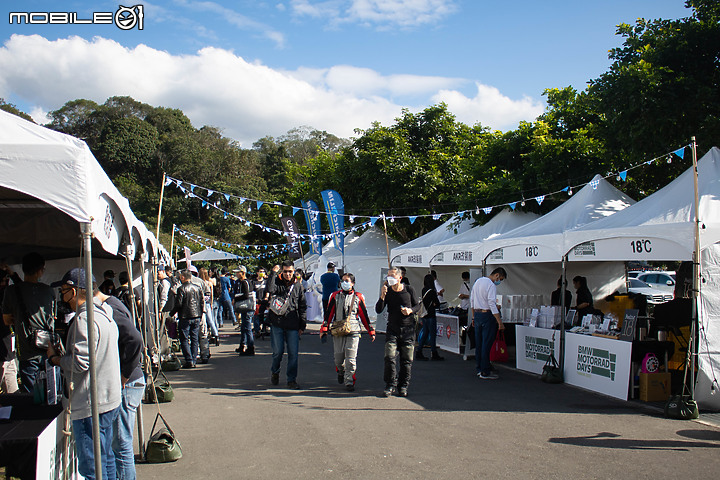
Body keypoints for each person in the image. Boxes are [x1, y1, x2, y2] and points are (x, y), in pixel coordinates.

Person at [47, 268, 121, 480]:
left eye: (63, 291)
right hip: (108, 398)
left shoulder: (85, 319)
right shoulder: (104, 312)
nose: (62, 296)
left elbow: (81, 362)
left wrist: (57, 359)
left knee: (92, 469)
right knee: (105, 460)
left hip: (92, 404)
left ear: (74, 290)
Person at [95, 287, 144, 480]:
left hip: (127, 383)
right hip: (129, 380)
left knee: (120, 442)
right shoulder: (113, 304)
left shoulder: (111, 307)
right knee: (119, 442)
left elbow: (135, 340)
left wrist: (124, 375)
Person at [1, 252, 55, 393]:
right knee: (50, 392)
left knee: (31, 395)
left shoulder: (11, 291)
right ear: (39, 271)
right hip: (48, 348)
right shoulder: (48, 291)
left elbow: (6, 320)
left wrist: (19, 318)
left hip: (26, 349)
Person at [319, 273, 375, 391]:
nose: (344, 283)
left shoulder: (359, 297)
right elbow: (329, 313)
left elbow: (363, 315)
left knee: (351, 358)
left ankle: (349, 381)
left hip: (354, 330)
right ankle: (340, 371)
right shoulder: (335, 296)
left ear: (353, 283)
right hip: (338, 329)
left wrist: (370, 330)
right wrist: (324, 328)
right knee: (338, 358)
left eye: (347, 280)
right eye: (343, 280)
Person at [375, 267, 420, 397]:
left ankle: (403, 385)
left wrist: (410, 310)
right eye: (388, 275)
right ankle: (390, 384)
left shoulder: (409, 289)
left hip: (408, 330)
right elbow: (379, 310)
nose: (390, 278)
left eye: (392, 275)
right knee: (389, 357)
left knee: (407, 360)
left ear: (400, 277)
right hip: (392, 329)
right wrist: (382, 296)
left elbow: (417, 306)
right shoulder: (387, 291)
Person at [267, 261, 307, 389]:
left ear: (294, 271)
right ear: (282, 272)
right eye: (285, 271)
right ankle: (275, 371)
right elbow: (270, 289)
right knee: (278, 352)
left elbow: (302, 306)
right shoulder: (277, 283)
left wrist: (302, 325)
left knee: (293, 354)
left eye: (290, 271)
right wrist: (273, 273)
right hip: (277, 323)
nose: (288, 274)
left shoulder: (298, 286)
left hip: (293, 324)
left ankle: (291, 379)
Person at [470, 267, 506, 380]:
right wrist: (499, 321)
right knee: (486, 343)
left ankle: (480, 368)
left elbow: (472, 300)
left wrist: (473, 317)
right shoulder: (491, 285)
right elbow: (491, 302)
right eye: (500, 278)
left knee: (479, 343)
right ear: (496, 275)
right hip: (487, 316)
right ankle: (485, 371)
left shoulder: (478, 281)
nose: (499, 281)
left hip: (477, 314)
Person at [170, 269, 204, 368]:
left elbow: (179, 304)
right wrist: (200, 314)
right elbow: (201, 302)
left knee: (184, 338)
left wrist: (171, 313)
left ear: (183, 277)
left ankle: (189, 359)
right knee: (194, 338)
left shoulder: (181, 289)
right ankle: (193, 359)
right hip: (196, 315)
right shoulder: (197, 288)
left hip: (185, 316)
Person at [0, 267, 19, 393]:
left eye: (7, 280)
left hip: (9, 354)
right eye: (3, 280)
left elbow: (22, 290)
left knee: (13, 395)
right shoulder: (5, 294)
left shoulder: (9, 294)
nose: (5, 283)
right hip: (3, 353)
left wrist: (13, 275)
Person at [416, 274, 443, 361]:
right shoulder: (432, 291)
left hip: (424, 314)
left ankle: (419, 350)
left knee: (425, 332)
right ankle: (433, 352)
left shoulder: (424, 290)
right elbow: (437, 303)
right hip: (431, 314)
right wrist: (435, 304)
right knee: (432, 334)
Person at [233, 266, 255, 356]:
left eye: (238, 272)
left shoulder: (245, 282)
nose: (236, 274)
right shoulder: (240, 282)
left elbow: (246, 295)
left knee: (247, 327)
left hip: (247, 307)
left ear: (243, 273)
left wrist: (236, 297)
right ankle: (242, 345)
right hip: (245, 308)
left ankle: (250, 347)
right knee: (243, 327)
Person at [200, 267, 219, 345]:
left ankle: (205, 335)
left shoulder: (200, 283)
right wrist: (211, 303)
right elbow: (211, 294)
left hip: (202, 303)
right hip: (208, 303)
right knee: (211, 320)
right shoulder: (209, 283)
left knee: (203, 320)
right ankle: (216, 335)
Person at [457, 271, 474, 350]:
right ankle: (463, 341)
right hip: (464, 307)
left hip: (469, 307)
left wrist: (465, 296)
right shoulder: (463, 284)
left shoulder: (472, 284)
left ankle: (466, 342)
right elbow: (459, 294)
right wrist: (461, 296)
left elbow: (473, 296)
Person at [252, 267, 269, 337]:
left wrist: (266, 297)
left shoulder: (266, 282)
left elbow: (268, 290)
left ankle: (264, 329)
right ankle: (257, 331)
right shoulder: (254, 282)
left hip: (264, 302)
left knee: (264, 316)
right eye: (260, 271)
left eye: (263, 271)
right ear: (257, 273)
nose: (261, 273)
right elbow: (252, 291)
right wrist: (254, 299)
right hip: (256, 302)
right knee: (256, 317)